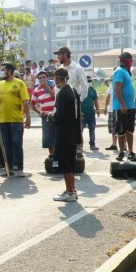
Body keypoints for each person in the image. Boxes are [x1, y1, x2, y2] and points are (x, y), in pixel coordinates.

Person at [0, 63, 31, 177]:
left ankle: (20, 168)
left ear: (9, 71)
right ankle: (9, 168)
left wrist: (28, 118)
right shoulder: (0, 84)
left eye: (3, 70)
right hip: (3, 120)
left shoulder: (19, 83)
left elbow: (25, 102)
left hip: (16, 120)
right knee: (7, 144)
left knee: (16, 142)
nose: (1, 72)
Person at [51, 68, 80, 202]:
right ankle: (72, 189)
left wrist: (50, 117)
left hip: (64, 133)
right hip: (71, 131)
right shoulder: (72, 91)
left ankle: (69, 191)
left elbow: (59, 115)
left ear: (57, 78)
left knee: (66, 163)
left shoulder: (63, 93)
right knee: (70, 162)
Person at [112, 52, 136, 162]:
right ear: (128, 61)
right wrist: (122, 104)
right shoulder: (119, 71)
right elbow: (117, 89)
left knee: (130, 130)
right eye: (130, 60)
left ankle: (131, 152)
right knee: (121, 131)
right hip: (121, 107)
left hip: (130, 106)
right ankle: (121, 152)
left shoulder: (126, 72)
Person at [30, 71, 56, 157]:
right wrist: (39, 112)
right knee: (48, 139)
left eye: (43, 77)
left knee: (58, 138)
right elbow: (32, 104)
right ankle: (52, 157)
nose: (42, 79)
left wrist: (46, 86)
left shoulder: (54, 85)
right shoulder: (36, 90)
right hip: (46, 117)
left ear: (47, 77)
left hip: (56, 115)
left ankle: (59, 157)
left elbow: (54, 96)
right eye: (40, 78)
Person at [80, 76, 100, 151]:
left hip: (91, 113)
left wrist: (97, 110)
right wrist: (79, 111)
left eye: (90, 81)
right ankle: (80, 145)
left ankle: (92, 144)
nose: (89, 82)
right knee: (80, 130)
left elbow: (95, 100)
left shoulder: (93, 90)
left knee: (92, 129)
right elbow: (78, 102)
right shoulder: (81, 90)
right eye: (88, 81)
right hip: (83, 113)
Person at [104, 76, 118, 151]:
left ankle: (124, 146)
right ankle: (114, 144)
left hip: (118, 109)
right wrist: (106, 107)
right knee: (112, 128)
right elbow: (108, 97)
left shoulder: (122, 85)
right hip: (111, 109)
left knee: (120, 128)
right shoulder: (111, 86)